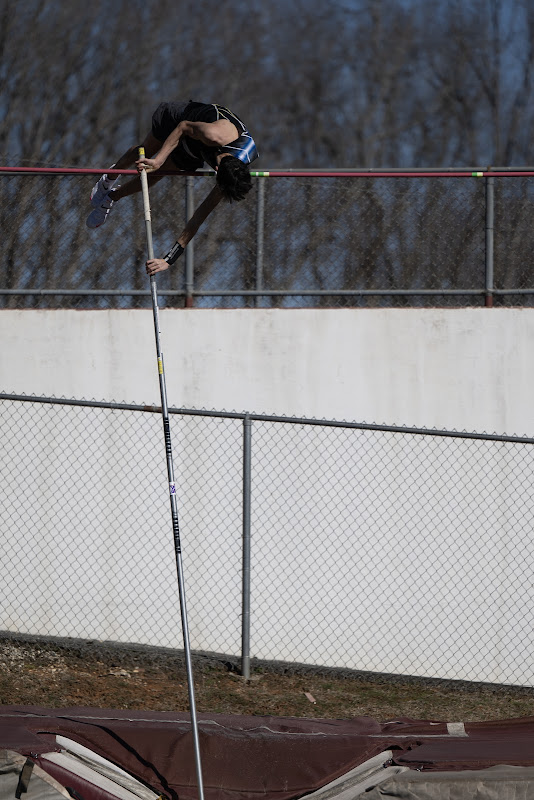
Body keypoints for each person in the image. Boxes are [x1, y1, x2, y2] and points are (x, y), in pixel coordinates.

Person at [86, 101, 259, 275]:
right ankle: (109, 178)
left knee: (156, 176)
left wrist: (169, 259)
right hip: (182, 120)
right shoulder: (215, 134)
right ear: (216, 169)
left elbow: (200, 215)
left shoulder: (232, 174)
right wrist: (158, 160)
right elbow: (183, 127)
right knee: (145, 152)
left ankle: (112, 197)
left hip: (196, 148)